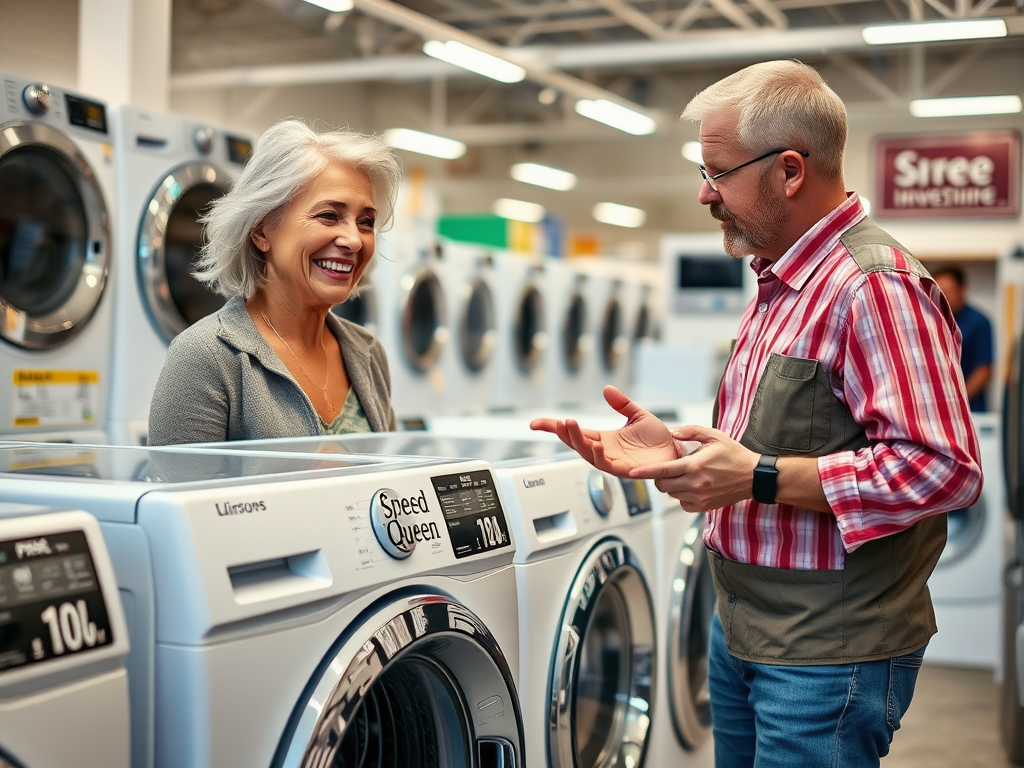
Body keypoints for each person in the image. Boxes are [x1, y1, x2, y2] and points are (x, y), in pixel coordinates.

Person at [532, 60, 982, 768]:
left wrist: (759, 478)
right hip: (741, 627)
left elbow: (944, 470)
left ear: (790, 171)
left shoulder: (872, 287)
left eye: (717, 171)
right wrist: (681, 452)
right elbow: (782, 441)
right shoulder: (781, 280)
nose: (704, 192)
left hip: (826, 652)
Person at [148, 119, 402, 445]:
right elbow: (178, 494)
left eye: (366, 222)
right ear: (261, 230)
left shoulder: (367, 353)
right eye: (328, 215)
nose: (354, 239)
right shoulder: (204, 357)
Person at [933, 265, 993, 412]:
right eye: (939, 292)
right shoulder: (931, 321)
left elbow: (983, 371)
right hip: (936, 409)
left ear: (962, 290)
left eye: (948, 291)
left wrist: (956, 402)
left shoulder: (978, 321)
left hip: (969, 409)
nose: (943, 297)